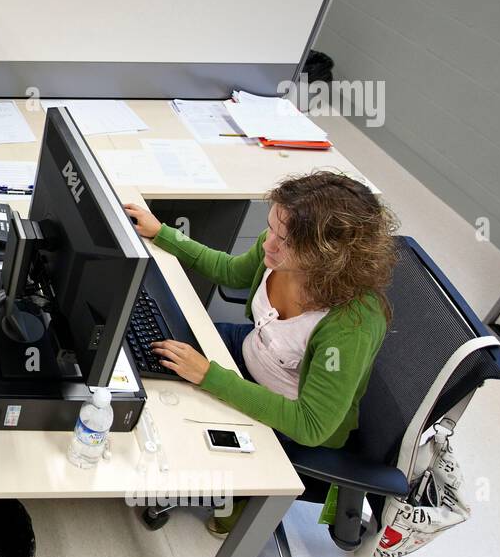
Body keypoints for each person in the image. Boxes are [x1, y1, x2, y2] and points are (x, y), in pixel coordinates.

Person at [123, 170, 398, 536]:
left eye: (285, 242)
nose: (269, 244)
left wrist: (210, 377)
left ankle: (246, 497)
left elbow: (311, 425)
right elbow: (229, 270)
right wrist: (162, 233)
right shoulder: (278, 247)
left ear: (328, 257)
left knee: (183, 416)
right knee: (147, 351)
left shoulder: (352, 323)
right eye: (271, 229)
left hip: (290, 413)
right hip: (250, 351)